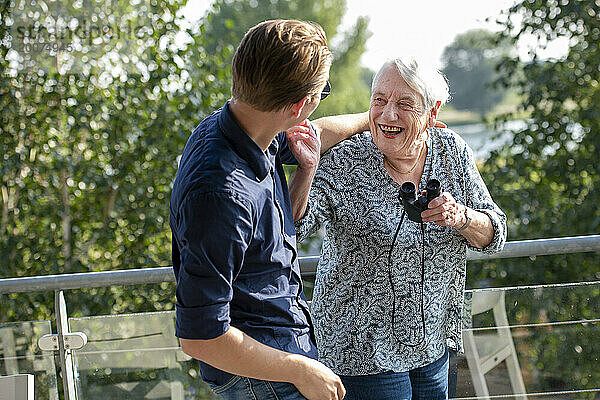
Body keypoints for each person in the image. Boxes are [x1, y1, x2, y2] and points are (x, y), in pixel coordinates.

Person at [169, 19, 368, 400]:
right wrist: (300, 369)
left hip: (282, 352)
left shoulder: (246, 127)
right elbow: (200, 337)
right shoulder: (221, 195)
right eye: (323, 91)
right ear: (298, 106)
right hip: (262, 376)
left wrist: (372, 120)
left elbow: (315, 136)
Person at [290, 56, 507, 400]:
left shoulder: (453, 153)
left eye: (404, 104)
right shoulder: (346, 160)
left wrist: (460, 216)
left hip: (432, 344)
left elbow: (495, 234)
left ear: (432, 112)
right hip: (360, 351)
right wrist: (306, 170)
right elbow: (292, 229)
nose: (388, 115)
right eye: (379, 101)